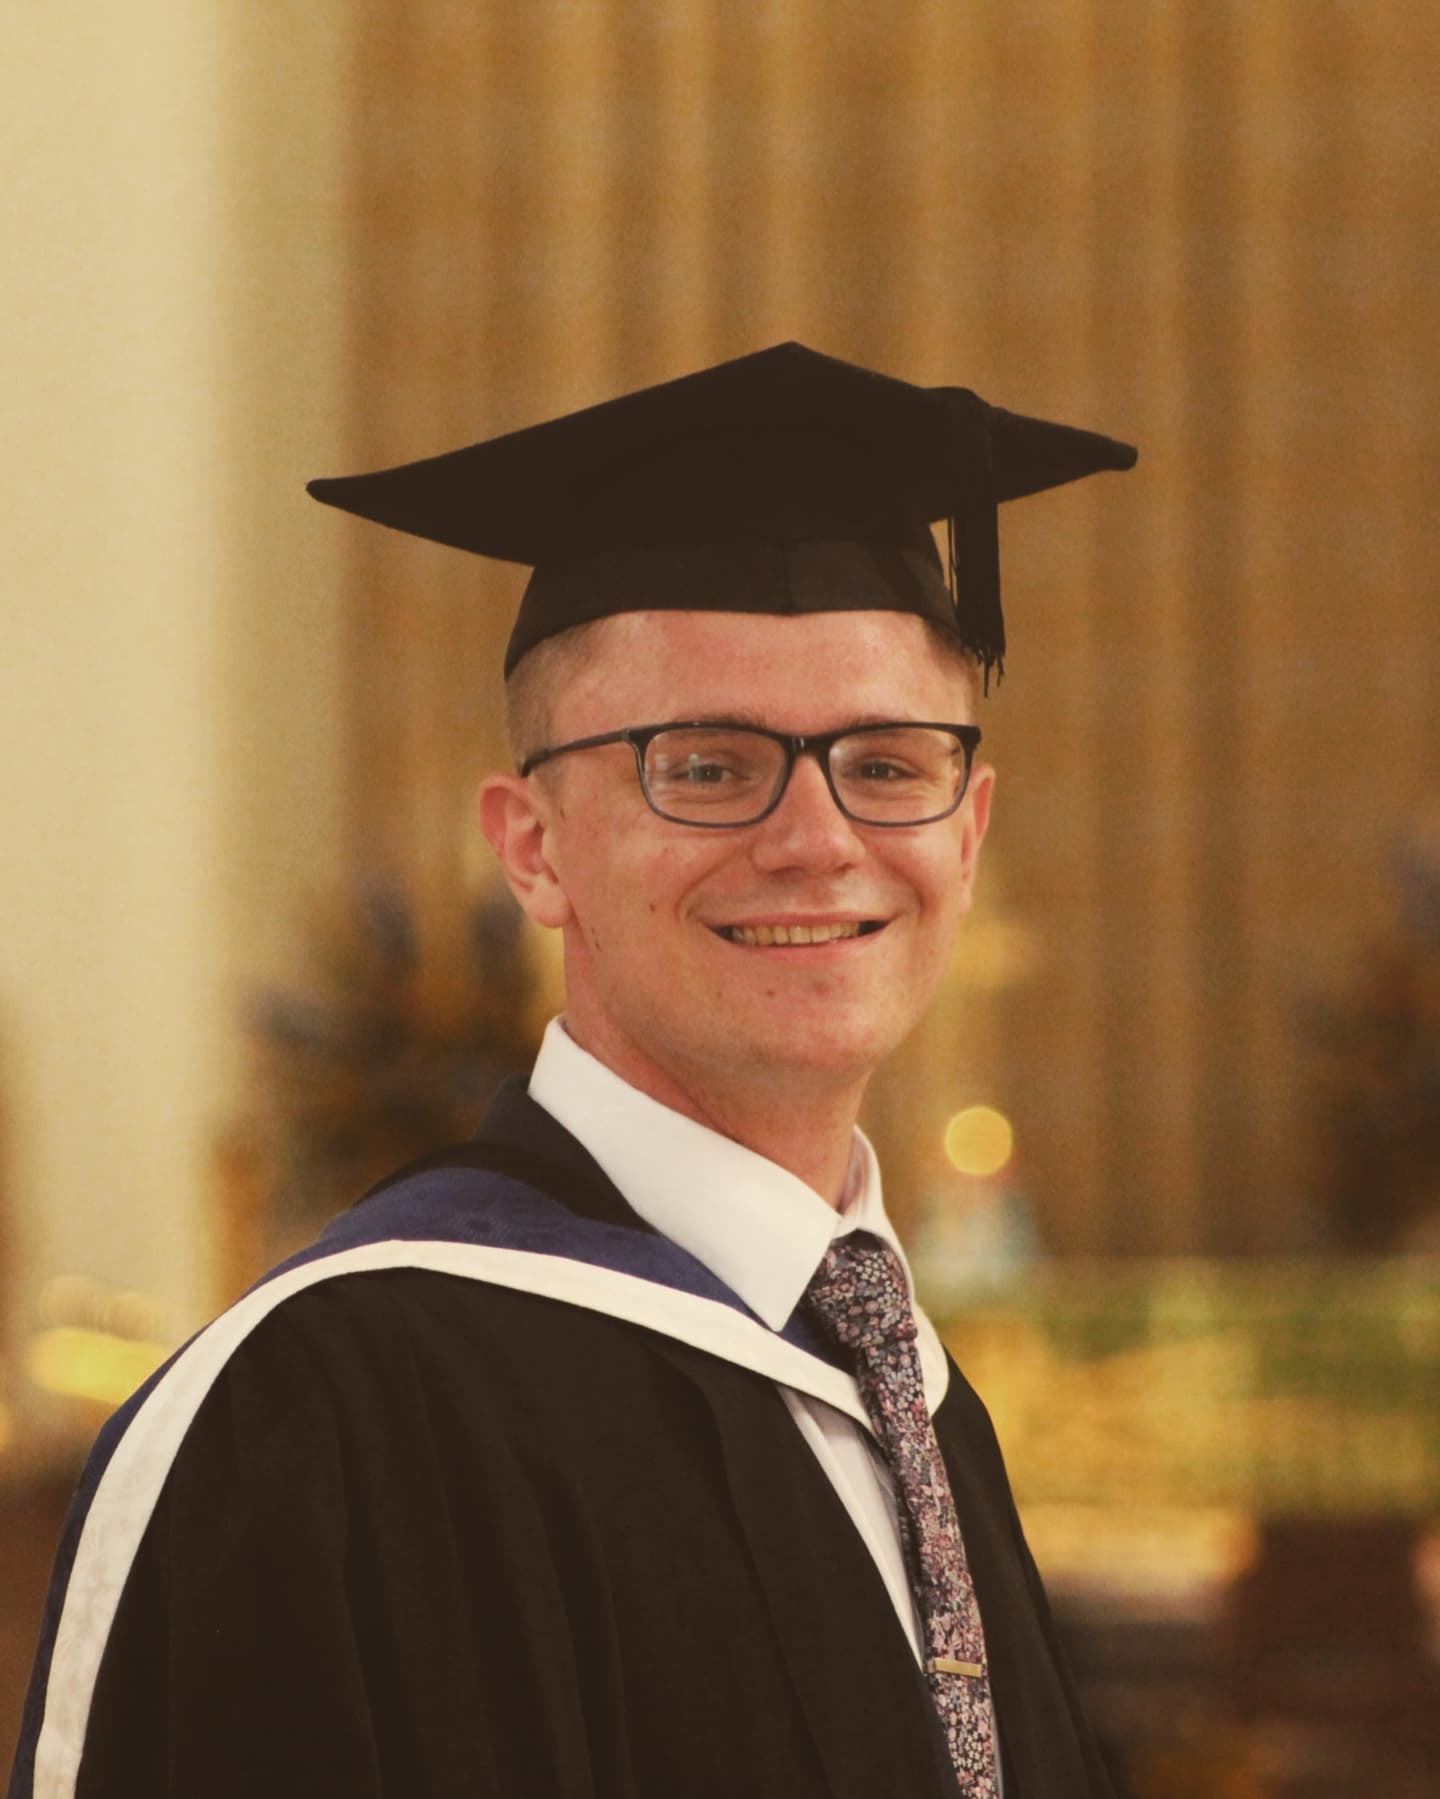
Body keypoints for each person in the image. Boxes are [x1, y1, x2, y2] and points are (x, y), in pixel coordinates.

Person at [11, 343, 1136, 1798]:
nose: (818, 838)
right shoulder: (322, 1413)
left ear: (968, 830)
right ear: (532, 848)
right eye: (710, 766)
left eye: (889, 762)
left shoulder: (909, 1396)